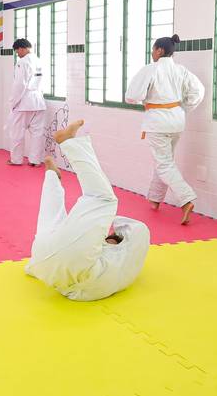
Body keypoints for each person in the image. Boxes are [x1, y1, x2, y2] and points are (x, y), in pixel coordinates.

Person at [26, 119, 150, 301]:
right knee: (51, 218)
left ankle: (69, 143)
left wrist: (112, 225)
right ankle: (52, 175)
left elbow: (137, 229)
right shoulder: (123, 266)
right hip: (43, 264)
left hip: (76, 268)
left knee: (102, 199)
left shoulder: (126, 251)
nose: (108, 239)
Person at [125, 34, 204, 225]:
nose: (152, 53)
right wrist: (182, 107)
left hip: (158, 122)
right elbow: (198, 91)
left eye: (153, 49)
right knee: (165, 161)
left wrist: (142, 98)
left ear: (159, 50)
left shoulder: (151, 69)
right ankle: (155, 198)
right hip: (177, 121)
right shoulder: (181, 70)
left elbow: (132, 95)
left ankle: (186, 199)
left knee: (164, 164)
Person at [7, 38, 47, 167]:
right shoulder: (38, 60)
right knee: (37, 133)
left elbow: (20, 85)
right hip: (38, 101)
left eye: (17, 51)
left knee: (17, 133)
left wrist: (13, 102)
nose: (17, 54)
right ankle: (35, 160)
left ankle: (16, 160)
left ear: (22, 48)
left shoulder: (22, 62)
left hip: (24, 102)